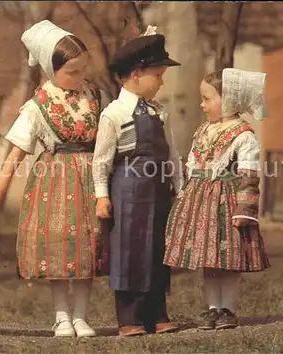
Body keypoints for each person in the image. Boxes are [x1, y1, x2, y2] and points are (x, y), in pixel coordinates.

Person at [0, 20, 109, 338]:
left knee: (85, 247)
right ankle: (61, 316)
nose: (79, 77)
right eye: (71, 71)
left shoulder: (94, 96)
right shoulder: (38, 106)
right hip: (54, 181)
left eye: (82, 69)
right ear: (50, 69)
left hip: (90, 177)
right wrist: (0, 186)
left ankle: (81, 316)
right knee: (60, 247)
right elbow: (17, 151)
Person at [92, 25, 184, 337]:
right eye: (157, 76)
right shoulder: (114, 114)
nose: (161, 83)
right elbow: (101, 160)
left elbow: (172, 154)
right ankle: (129, 317)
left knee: (157, 249)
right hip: (127, 190)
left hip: (158, 190)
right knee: (128, 251)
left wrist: (180, 190)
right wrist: (102, 195)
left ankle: (157, 314)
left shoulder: (161, 113)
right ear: (136, 73)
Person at [164, 68, 271, 330]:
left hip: (227, 202)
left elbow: (248, 174)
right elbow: (192, 164)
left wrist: (245, 207)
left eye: (208, 98)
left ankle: (228, 309)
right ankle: (213, 308)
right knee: (209, 259)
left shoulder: (243, 135)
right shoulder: (203, 131)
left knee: (228, 258)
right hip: (201, 201)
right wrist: (185, 192)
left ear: (229, 99)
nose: (202, 105)